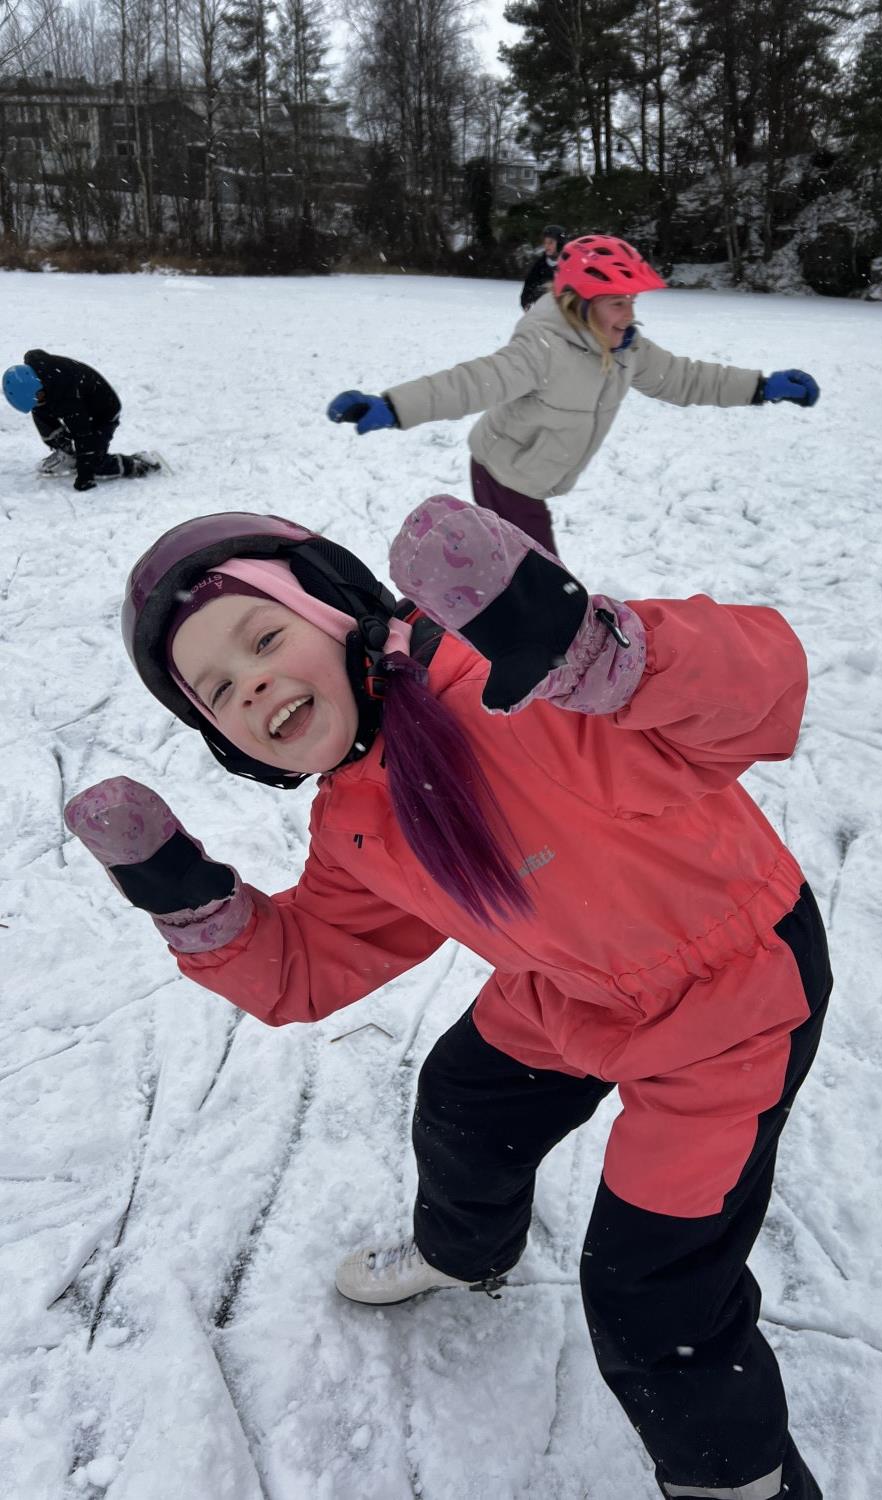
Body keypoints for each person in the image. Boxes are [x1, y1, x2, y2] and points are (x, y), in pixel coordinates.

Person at [64, 496, 832, 1500]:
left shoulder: (519, 699)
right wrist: (189, 900)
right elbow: (316, 958)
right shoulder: (355, 814)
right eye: (216, 690)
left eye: (264, 638)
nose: (249, 682)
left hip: (731, 997)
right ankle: (465, 1254)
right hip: (567, 989)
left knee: (651, 1290)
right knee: (465, 1106)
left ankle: (736, 1485)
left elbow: (757, 692)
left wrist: (602, 656)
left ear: (340, 614)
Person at [326, 234, 819, 555]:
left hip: (529, 477)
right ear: (581, 304)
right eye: (616, 303)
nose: (629, 314)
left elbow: (686, 378)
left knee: (517, 572)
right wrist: (393, 406)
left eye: (631, 301)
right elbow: (471, 382)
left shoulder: (627, 348)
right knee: (545, 581)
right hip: (506, 473)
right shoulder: (541, 348)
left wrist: (761, 387)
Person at [2, 350, 159, 491]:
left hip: (103, 412)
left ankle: (139, 464)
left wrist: (85, 477)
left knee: (95, 464)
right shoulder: (37, 375)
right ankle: (68, 454)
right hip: (78, 401)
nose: (38, 402)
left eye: (38, 398)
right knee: (40, 411)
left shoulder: (66, 397)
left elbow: (83, 437)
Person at [519, 222, 567, 311]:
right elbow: (529, 284)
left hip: (564, 310)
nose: (547, 246)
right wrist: (526, 301)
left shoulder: (569, 264)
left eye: (551, 242)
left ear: (560, 244)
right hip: (544, 310)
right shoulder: (540, 265)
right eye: (545, 242)